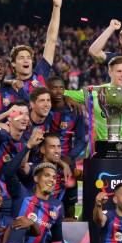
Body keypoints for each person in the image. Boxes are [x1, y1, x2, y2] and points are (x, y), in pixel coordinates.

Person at [9, 162, 85, 243]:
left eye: (54, 177)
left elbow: (57, 241)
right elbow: (8, 172)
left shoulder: (57, 206)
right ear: (36, 178)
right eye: (47, 175)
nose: (51, 180)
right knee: (19, 227)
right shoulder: (22, 195)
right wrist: (28, 146)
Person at [7, 0, 63, 94]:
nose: (26, 60)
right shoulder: (6, 88)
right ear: (13, 63)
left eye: (28, 57)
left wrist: (56, 8)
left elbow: (51, 40)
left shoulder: (40, 73)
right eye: (21, 58)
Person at [48, 76, 86, 218]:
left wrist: (69, 156)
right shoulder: (45, 109)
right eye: (54, 88)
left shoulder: (74, 111)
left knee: (70, 205)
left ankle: (68, 239)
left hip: (68, 164)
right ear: (48, 90)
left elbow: (82, 140)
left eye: (61, 88)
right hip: (46, 162)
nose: (58, 91)